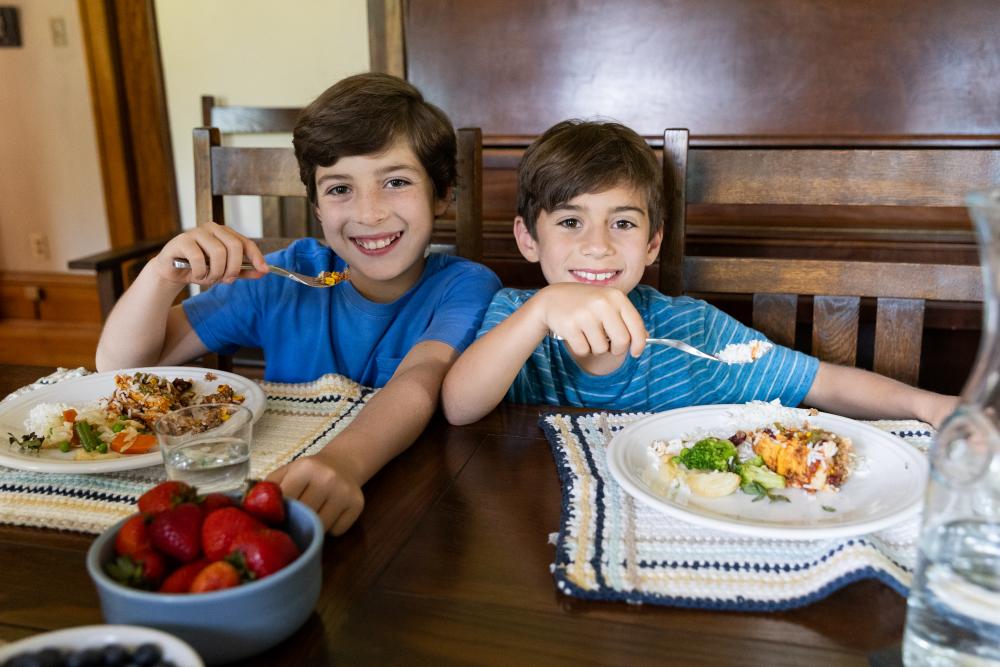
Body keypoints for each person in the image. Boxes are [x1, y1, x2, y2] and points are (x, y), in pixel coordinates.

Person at [96, 73, 501, 534]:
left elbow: (419, 380)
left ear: (443, 194)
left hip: (414, 512)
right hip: (274, 500)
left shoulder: (466, 287)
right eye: (339, 189)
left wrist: (343, 462)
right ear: (317, 208)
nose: (369, 213)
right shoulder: (283, 279)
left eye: (395, 182)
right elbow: (121, 368)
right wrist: (162, 275)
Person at [441, 119, 956, 428]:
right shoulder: (514, 314)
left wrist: (930, 406)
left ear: (652, 244)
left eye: (622, 223)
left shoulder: (695, 331)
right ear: (528, 238)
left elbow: (820, 382)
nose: (596, 246)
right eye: (571, 221)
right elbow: (460, 407)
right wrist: (541, 311)